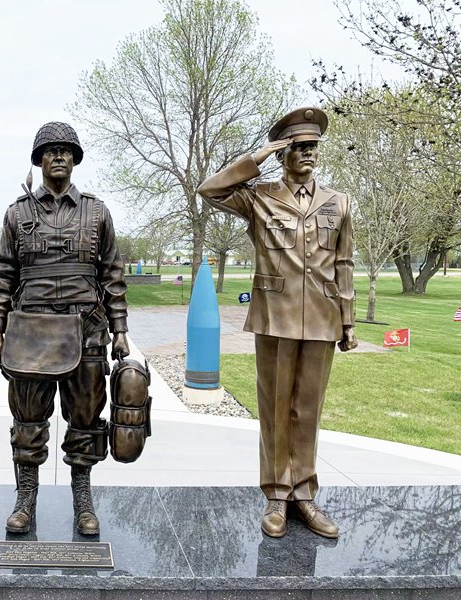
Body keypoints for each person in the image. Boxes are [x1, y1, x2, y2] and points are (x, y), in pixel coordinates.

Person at [197, 107, 357, 539]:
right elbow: (209, 189)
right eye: (297, 147)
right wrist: (259, 156)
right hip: (274, 317)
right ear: (284, 151)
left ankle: (304, 494)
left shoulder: (337, 202)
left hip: (322, 319)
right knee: (274, 410)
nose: (307, 154)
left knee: (308, 411)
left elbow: (342, 264)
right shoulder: (259, 196)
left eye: (312, 147)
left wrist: (349, 322)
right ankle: (276, 496)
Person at [0, 122, 129, 535]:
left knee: (86, 418)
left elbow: (113, 275)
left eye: (67, 149)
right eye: (50, 150)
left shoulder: (97, 212)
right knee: (27, 420)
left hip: (87, 330)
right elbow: (5, 275)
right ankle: (25, 499)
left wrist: (119, 330)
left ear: (76, 158)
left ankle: (83, 499)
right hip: (30, 333)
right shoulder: (18, 213)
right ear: (39, 160)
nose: (60, 155)